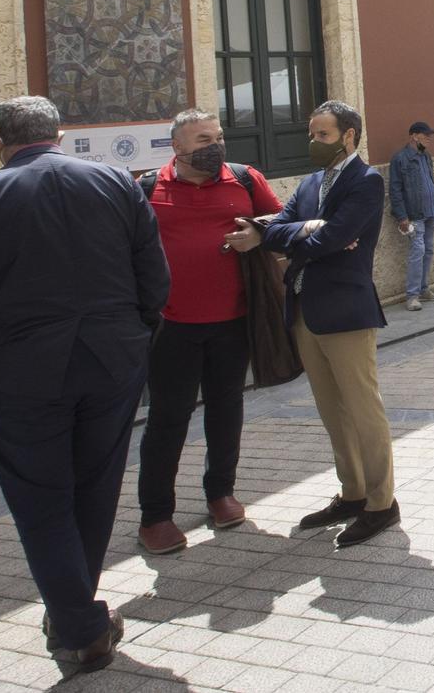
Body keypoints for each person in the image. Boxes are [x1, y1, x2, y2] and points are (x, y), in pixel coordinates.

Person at [0, 96, 169, 670]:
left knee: (42, 503)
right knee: (94, 489)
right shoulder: (115, 183)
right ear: (59, 134)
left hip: (19, 376)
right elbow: (154, 280)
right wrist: (135, 340)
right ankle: (74, 613)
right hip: (109, 363)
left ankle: (78, 625)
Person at [227, 99, 397, 547]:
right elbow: (285, 225)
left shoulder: (366, 182)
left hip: (345, 310)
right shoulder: (309, 183)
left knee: (362, 408)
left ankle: (382, 503)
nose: (313, 142)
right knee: (331, 409)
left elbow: (331, 239)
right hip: (304, 309)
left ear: (349, 136)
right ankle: (353, 492)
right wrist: (296, 230)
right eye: (311, 134)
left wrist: (294, 234)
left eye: (322, 135)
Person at [135, 107, 282, 556]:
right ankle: (156, 516)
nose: (214, 146)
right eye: (202, 140)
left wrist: (258, 233)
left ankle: (221, 493)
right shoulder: (145, 188)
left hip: (232, 322)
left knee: (226, 410)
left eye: (217, 137)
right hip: (170, 327)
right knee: (167, 420)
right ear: (176, 147)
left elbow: (281, 220)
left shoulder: (244, 178)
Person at [388, 120, 434, 309]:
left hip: (431, 212)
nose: (429, 138)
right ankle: (412, 296)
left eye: (430, 135)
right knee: (417, 252)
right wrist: (402, 217)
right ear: (414, 136)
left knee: (428, 251)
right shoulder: (400, 159)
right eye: (425, 135)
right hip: (414, 215)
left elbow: (430, 181)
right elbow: (394, 190)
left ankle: (424, 289)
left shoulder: (426, 156)